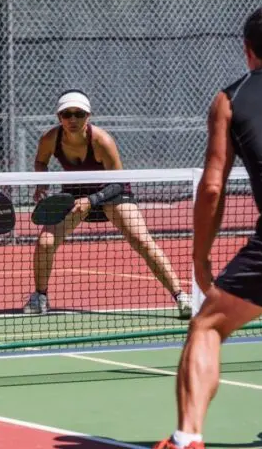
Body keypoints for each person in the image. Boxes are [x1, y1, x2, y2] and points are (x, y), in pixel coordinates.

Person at [154, 6, 262, 449]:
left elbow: (212, 188)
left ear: (247, 51)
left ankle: (188, 438)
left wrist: (201, 256)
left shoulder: (229, 100)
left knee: (207, 326)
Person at [24, 89, 192, 318]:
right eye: (67, 114)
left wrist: (92, 200)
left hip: (111, 192)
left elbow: (118, 182)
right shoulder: (50, 139)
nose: (73, 119)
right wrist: (41, 183)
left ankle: (181, 296)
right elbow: (40, 161)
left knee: (142, 240)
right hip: (74, 193)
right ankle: (40, 297)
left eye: (79, 114)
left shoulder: (102, 141)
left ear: (88, 116)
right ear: (59, 117)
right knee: (45, 242)